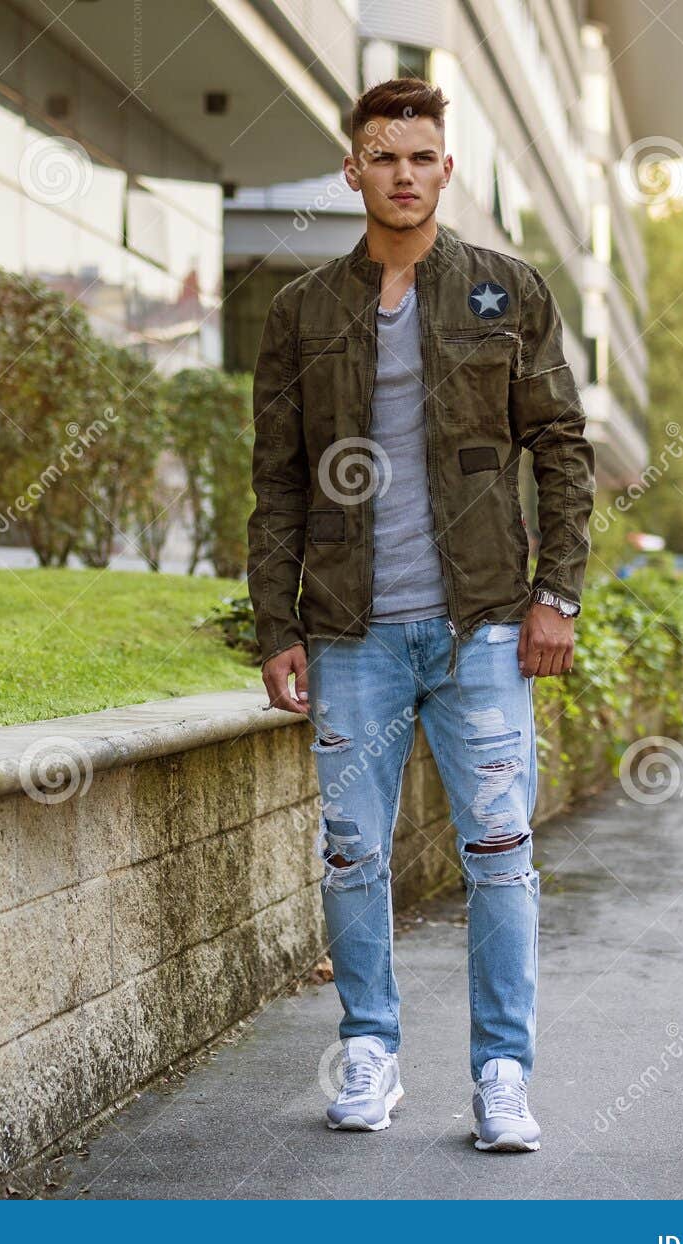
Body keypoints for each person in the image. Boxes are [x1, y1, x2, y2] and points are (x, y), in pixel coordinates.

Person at [246, 77, 595, 1151]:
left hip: (483, 627)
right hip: (352, 632)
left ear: (447, 168)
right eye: (382, 156)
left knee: (499, 851)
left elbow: (562, 449)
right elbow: (277, 483)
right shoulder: (301, 313)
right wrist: (277, 626)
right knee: (351, 853)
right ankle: (369, 1049)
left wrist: (557, 596)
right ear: (353, 172)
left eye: (421, 156)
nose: (403, 173)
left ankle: (500, 1075)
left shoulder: (505, 292)